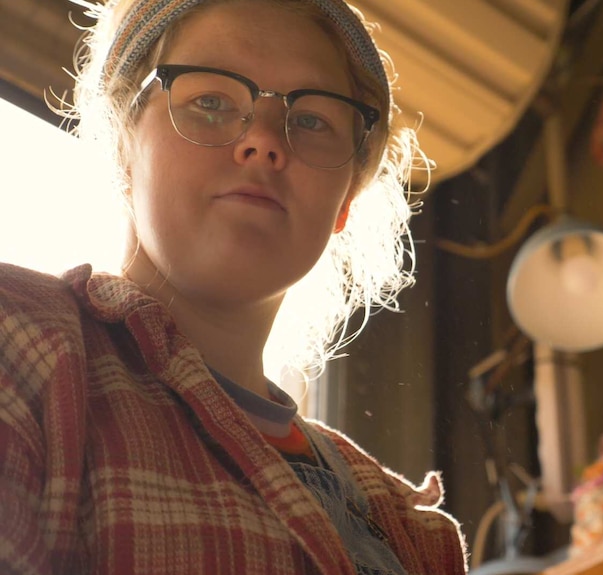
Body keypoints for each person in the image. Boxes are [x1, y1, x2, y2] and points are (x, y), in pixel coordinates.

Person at [0, 0, 467, 573]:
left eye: (312, 120)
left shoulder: (415, 530)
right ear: (124, 145)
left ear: (345, 198)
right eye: (211, 102)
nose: (265, 141)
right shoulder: (19, 345)